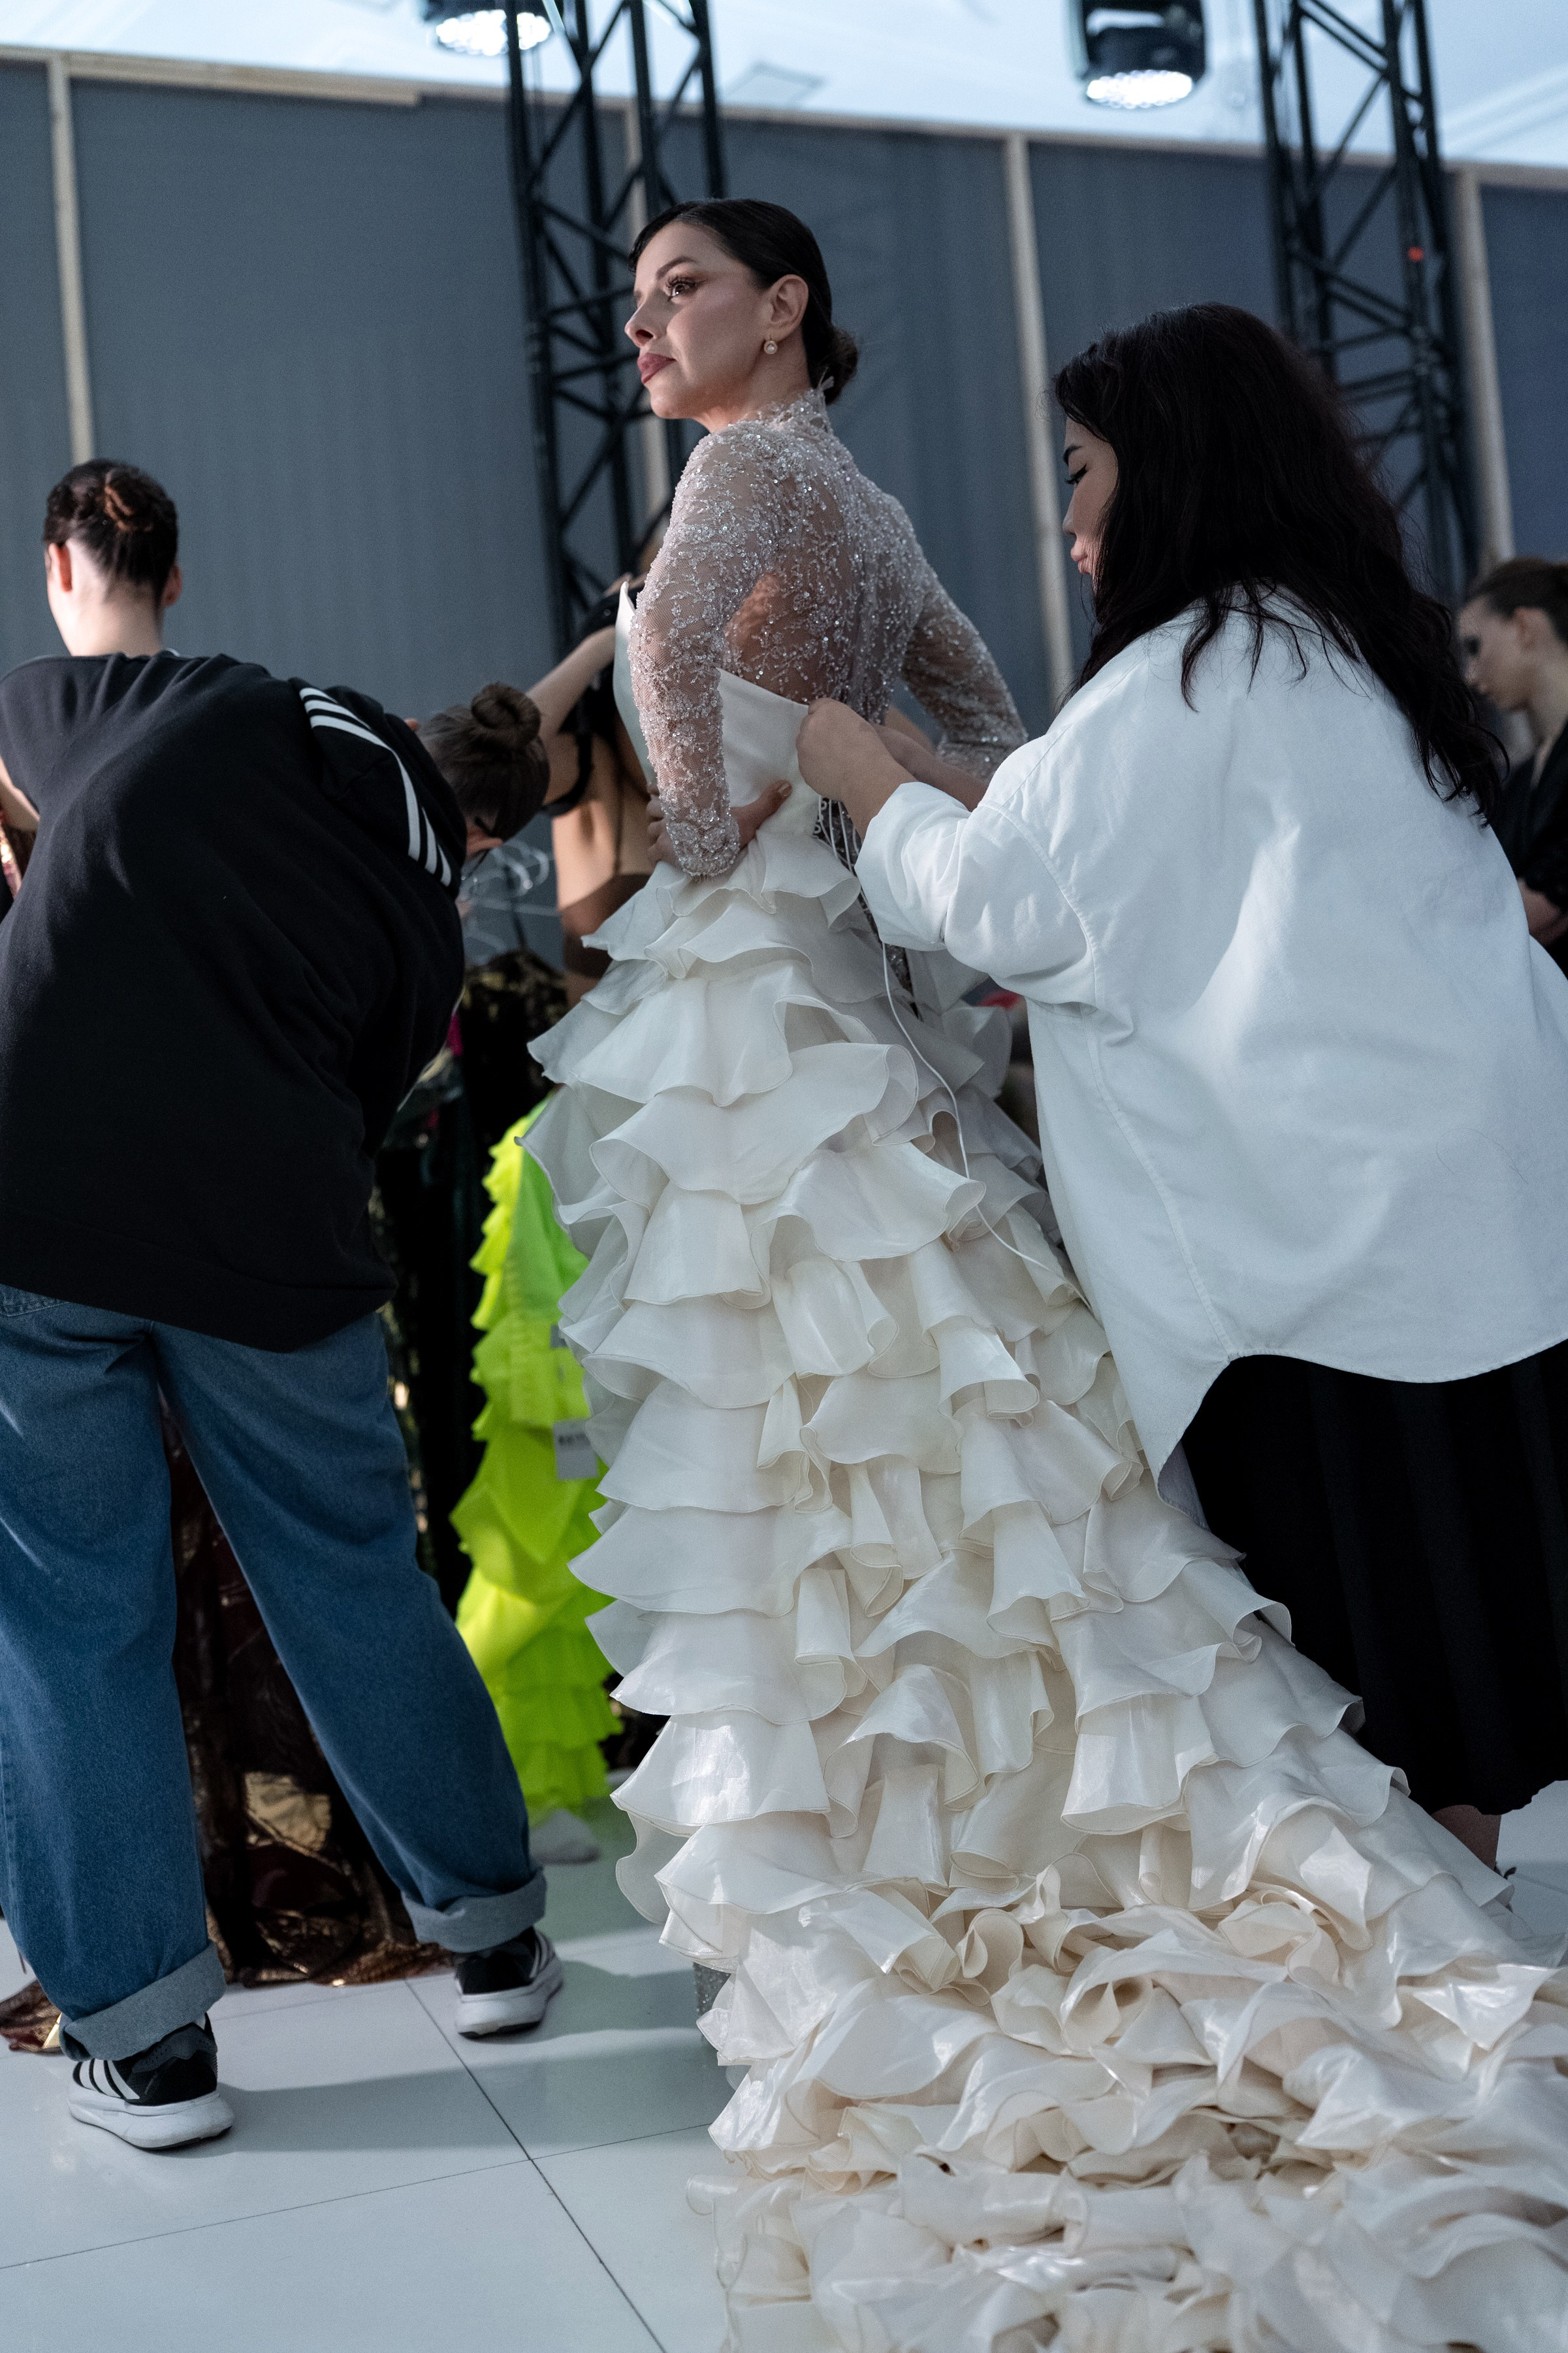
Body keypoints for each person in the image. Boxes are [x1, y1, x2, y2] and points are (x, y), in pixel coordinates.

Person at [537, 240, 1568, 2343]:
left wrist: (750, 713)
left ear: (789, 305)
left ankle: (1322, 1902)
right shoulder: (1283, 644)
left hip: (996, 1089)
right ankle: (1422, 1865)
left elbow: (787, 822)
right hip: (1418, 1197)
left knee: (847, 1448)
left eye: (675, 289)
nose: (1075, 521)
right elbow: (1003, 741)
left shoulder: (764, 512)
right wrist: (891, 764)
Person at [0, 460, 564, 2152]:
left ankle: (146, 2046)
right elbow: (386, 1084)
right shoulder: (411, 877)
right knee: (347, 1573)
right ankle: (494, 1937)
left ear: (59, 568)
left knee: (66, 1616)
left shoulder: (119, 701)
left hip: (41, 1189)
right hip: (269, 1215)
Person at [1460, 555, 1568, 963]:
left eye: (1475, 647)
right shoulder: (1520, 783)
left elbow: (1541, 910)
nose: (1470, 674)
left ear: (1524, 626)